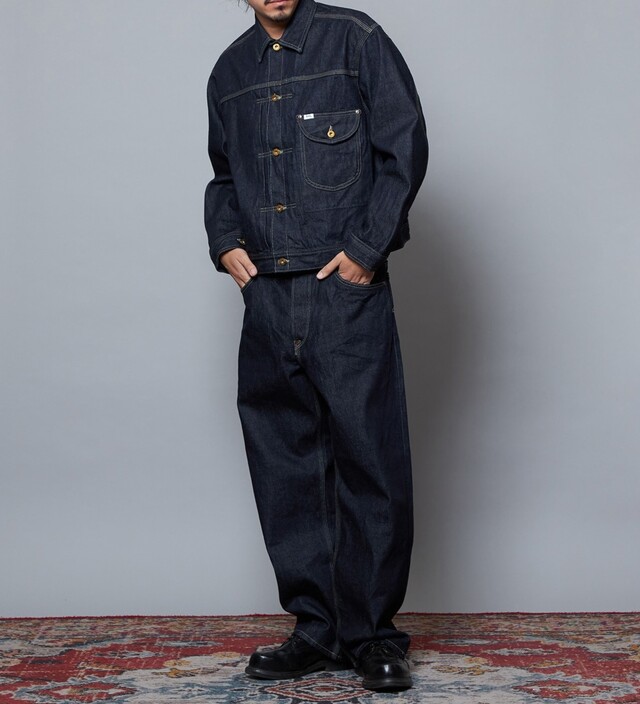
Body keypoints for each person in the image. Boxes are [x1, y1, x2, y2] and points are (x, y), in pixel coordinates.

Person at [204, 0, 428, 692]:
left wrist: (366, 249)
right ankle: (316, 629)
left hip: (343, 289)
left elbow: (403, 146)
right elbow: (224, 176)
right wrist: (225, 242)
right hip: (267, 293)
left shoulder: (356, 40)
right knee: (286, 463)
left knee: (368, 456)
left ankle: (372, 633)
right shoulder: (229, 71)